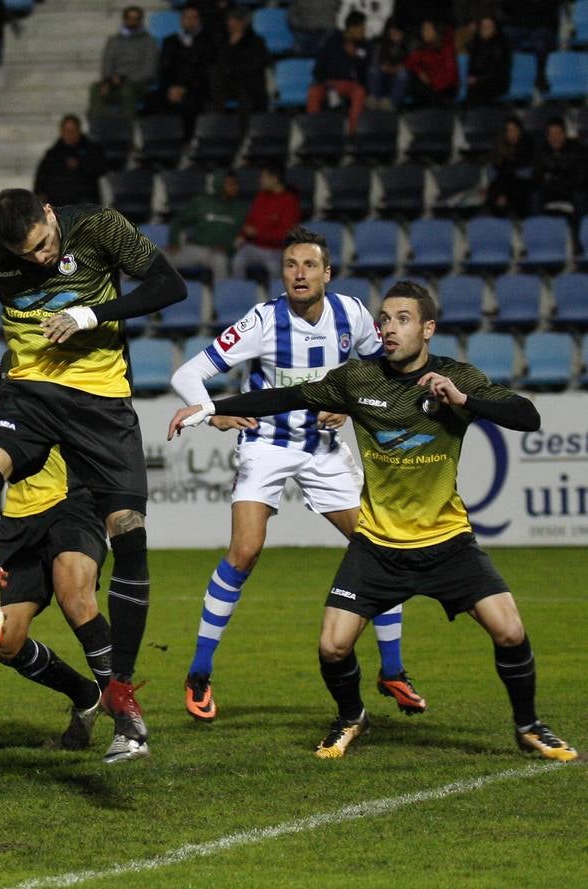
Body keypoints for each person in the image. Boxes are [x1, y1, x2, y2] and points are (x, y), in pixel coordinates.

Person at [169, 280, 578, 764]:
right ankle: (351, 715)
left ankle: (529, 726)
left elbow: (526, 416)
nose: (388, 328)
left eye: (402, 319)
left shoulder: (454, 376)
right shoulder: (358, 380)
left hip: (448, 542)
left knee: (510, 631)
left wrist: (463, 402)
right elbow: (286, 397)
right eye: (384, 319)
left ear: (428, 329)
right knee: (332, 646)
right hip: (378, 546)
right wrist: (211, 409)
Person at [0, 189, 188, 763]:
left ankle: (123, 700)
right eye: (27, 255)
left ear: (52, 213)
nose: (42, 260)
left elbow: (171, 286)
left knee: (128, 529)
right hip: (31, 395)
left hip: (102, 403)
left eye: (46, 246)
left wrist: (90, 313)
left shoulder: (99, 227)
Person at [170, 225, 426, 721]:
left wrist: (353, 407)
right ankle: (199, 672)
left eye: (309, 265)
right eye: (291, 265)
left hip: (324, 450)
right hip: (266, 444)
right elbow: (187, 373)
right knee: (244, 552)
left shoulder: (351, 314)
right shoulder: (263, 321)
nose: (299, 273)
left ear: (327, 273)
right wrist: (211, 411)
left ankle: (392, 669)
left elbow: (382, 374)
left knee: (381, 547)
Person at [0, 356, 118, 757]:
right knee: (4, 641)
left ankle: (125, 714)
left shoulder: (78, 362)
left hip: (74, 501)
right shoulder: (12, 362)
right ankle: (85, 694)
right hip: (21, 517)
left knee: (74, 595)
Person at [166, 171, 249, 282]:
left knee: (221, 261)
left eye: (236, 184)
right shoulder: (202, 202)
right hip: (194, 248)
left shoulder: (241, 208)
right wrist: (174, 242)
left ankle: (222, 297)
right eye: (230, 184)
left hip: (216, 253)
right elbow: (178, 221)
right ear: (219, 184)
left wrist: (229, 249)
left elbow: (242, 236)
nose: (235, 187)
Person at [231, 163, 302, 280]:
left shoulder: (289, 201)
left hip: (277, 249)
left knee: (274, 267)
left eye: (264, 177)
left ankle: (278, 297)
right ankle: (242, 296)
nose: (260, 180)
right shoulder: (261, 197)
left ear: (274, 179)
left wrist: (258, 234)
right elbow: (250, 220)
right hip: (255, 246)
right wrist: (242, 235)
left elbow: (286, 235)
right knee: (237, 260)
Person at [307, 11, 369, 134]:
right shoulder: (331, 42)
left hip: (350, 85)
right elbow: (318, 68)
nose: (363, 32)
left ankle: (353, 132)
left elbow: (364, 73)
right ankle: (312, 132)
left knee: (359, 92)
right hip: (328, 84)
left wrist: (354, 56)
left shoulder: (364, 47)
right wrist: (326, 84)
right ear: (351, 28)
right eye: (361, 29)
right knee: (314, 92)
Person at [157, 6, 215, 136]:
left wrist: (185, 88)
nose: (190, 21)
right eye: (187, 17)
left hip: (197, 87)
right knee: (155, 102)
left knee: (191, 103)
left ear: (199, 21)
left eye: (194, 18)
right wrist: (171, 87)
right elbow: (164, 68)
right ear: (181, 20)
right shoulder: (169, 41)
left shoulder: (208, 41)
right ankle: (163, 144)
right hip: (172, 87)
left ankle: (189, 142)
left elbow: (205, 70)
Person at [93, 6, 158, 120]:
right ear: (124, 19)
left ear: (140, 20)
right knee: (95, 89)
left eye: (136, 18)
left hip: (138, 84)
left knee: (127, 90)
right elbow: (107, 63)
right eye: (129, 18)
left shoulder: (149, 41)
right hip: (114, 83)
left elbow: (149, 70)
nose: (132, 21)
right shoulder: (113, 40)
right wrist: (108, 80)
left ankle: (127, 130)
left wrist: (124, 79)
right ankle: (98, 127)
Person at [33, 114, 109, 207]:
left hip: (85, 206)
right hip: (59, 207)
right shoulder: (53, 154)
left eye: (73, 131)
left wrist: (81, 165)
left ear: (79, 131)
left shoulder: (91, 150)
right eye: (66, 131)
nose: (69, 135)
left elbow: (101, 168)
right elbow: (41, 177)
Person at [209, 8, 269, 116]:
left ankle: (245, 131)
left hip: (247, 84)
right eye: (229, 20)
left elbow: (256, 65)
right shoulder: (221, 41)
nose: (231, 24)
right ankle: (216, 128)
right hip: (226, 84)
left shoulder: (256, 42)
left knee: (247, 97)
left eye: (235, 20)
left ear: (244, 23)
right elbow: (217, 63)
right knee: (212, 85)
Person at [531, 117, 586, 222]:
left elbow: (581, 175)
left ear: (564, 134)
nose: (554, 137)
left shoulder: (577, 149)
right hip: (549, 189)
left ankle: (579, 233)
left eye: (557, 133)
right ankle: (538, 231)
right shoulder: (540, 150)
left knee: (579, 197)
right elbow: (537, 176)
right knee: (535, 197)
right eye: (551, 134)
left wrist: (560, 180)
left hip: (570, 188)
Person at [487, 115, 534, 217]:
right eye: (508, 130)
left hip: (521, 188)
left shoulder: (528, 147)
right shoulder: (499, 149)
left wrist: (504, 194)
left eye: (514, 130)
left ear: (520, 131)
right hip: (502, 189)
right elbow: (496, 175)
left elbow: (525, 174)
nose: (511, 133)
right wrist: (500, 194)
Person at [404, 20, 458, 107]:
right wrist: (420, 72)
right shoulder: (423, 48)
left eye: (428, 29)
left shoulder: (446, 48)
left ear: (436, 31)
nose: (424, 32)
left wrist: (432, 83)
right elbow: (409, 63)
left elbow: (450, 76)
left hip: (445, 88)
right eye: (423, 30)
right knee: (408, 77)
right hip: (430, 87)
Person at [464, 16, 511, 106]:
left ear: (495, 29)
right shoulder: (476, 44)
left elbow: (500, 71)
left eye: (489, 27)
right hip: (479, 82)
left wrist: (479, 79)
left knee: (477, 90)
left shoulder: (501, 46)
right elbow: (472, 68)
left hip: (497, 81)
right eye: (483, 27)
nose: (485, 29)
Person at [365, 16, 410, 110]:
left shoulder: (407, 45)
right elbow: (376, 62)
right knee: (373, 69)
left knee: (403, 73)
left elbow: (408, 65)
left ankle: (391, 102)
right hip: (382, 77)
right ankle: (374, 98)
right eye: (393, 32)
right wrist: (385, 67)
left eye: (398, 32)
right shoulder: (380, 44)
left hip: (396, 81)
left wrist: (394, 69)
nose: (395, 34)